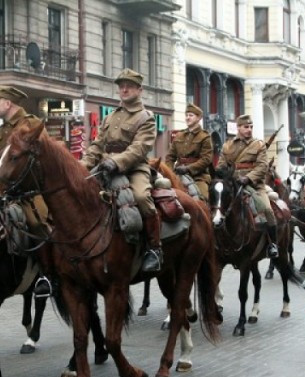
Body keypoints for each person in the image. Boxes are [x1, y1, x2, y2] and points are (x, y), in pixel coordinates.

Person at [81, 68, 163, 271]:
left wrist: (116, 162)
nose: (124, 89)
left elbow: (139, 148)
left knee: (142, 198)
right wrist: (81, 167)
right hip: (105, 167)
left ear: (139, 89)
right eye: (121, 86)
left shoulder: (146, 118)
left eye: (129, 86)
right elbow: (97, 145)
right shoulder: (110, 117)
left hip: (134, 168)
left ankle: (154, 248)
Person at [0, 86, 52, 295]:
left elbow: (45, 157)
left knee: (37, 223)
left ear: (8, 103)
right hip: (3, 191)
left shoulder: (31, 124)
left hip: (30, 190)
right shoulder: (1, 130)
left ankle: (46, 274)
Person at [217, 114, 278, 258]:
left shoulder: (259, 144)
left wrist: (248, 178)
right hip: (233, 184)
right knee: (217, 207)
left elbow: (262, 166)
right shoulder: (227, 145)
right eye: (246, 127)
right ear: (238, 128)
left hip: (254, 186)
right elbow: (221, 165)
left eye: (251, 127)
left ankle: (273, 244)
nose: (249, 129)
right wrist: (221, 173)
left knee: (267, 210)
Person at [165, 103, 213, 201]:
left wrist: (188, 168)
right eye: (186, 115)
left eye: (191, 115)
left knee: (202, 198)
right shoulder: (179, 135)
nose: (187, 118)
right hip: (178, 175)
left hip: (199, 177)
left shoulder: (205, 137)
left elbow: (206, 159)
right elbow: (170, 157)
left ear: (198, 118)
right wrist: (170, 173)